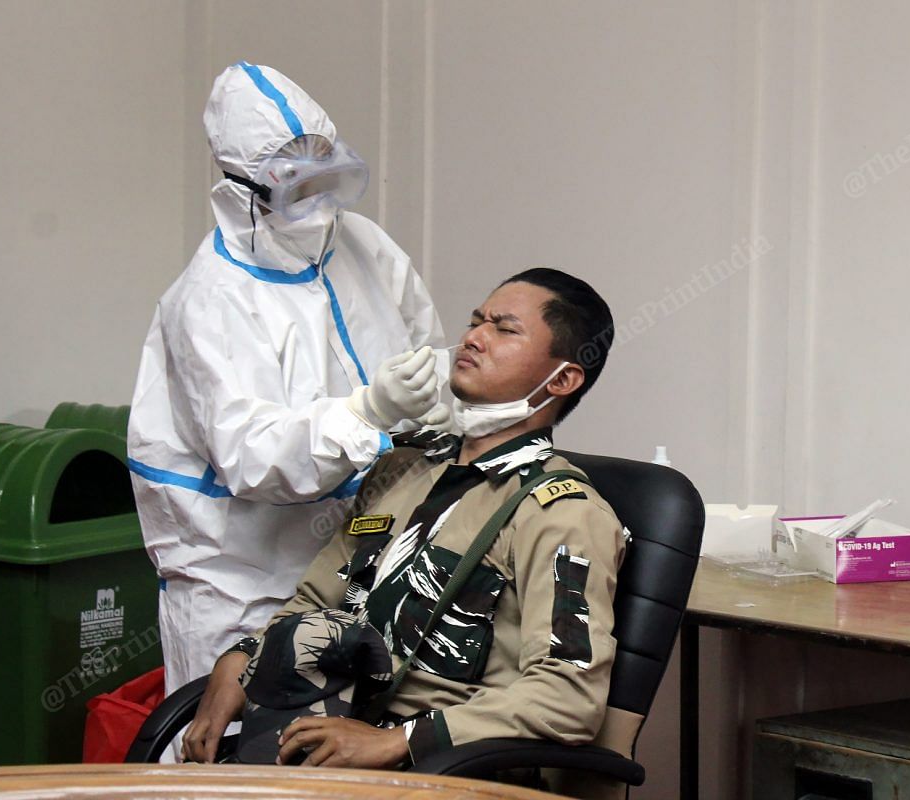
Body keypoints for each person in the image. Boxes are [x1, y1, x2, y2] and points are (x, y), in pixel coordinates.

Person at [183, 268, 623, 774]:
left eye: (504, 329)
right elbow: (315, 601)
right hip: (320, 732)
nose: (473, 337)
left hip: (441, 768)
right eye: (476, 321)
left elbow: (568, 697)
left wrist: (399, 741)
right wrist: (238, 662)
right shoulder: (402, 468)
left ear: (564, 377)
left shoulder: (562, 513)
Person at [128, 61, 448, 699]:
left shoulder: (366, 248)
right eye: (300, 189)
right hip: (240, 587)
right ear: (244, 187)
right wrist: (366, 411)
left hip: (357, 570)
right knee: (234, 772)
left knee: (334, 768)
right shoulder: (210, 300)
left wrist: (436, 402)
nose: (323, 205)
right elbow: (251, 458)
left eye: (331, 178)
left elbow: (429, 350)